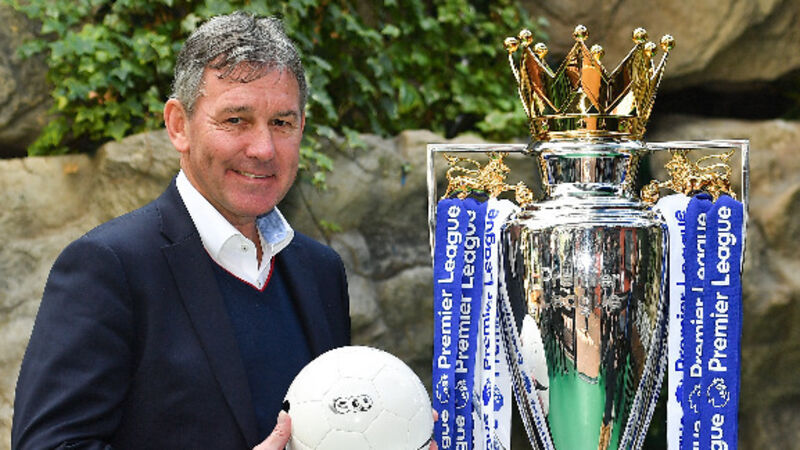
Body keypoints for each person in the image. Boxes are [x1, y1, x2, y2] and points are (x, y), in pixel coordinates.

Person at [11, 12, 351, 450]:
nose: (263, 149)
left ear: (302, 126)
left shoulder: (321, 271)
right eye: (236, 120)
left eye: (281, 123)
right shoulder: (109, 268)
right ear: (178, 125)